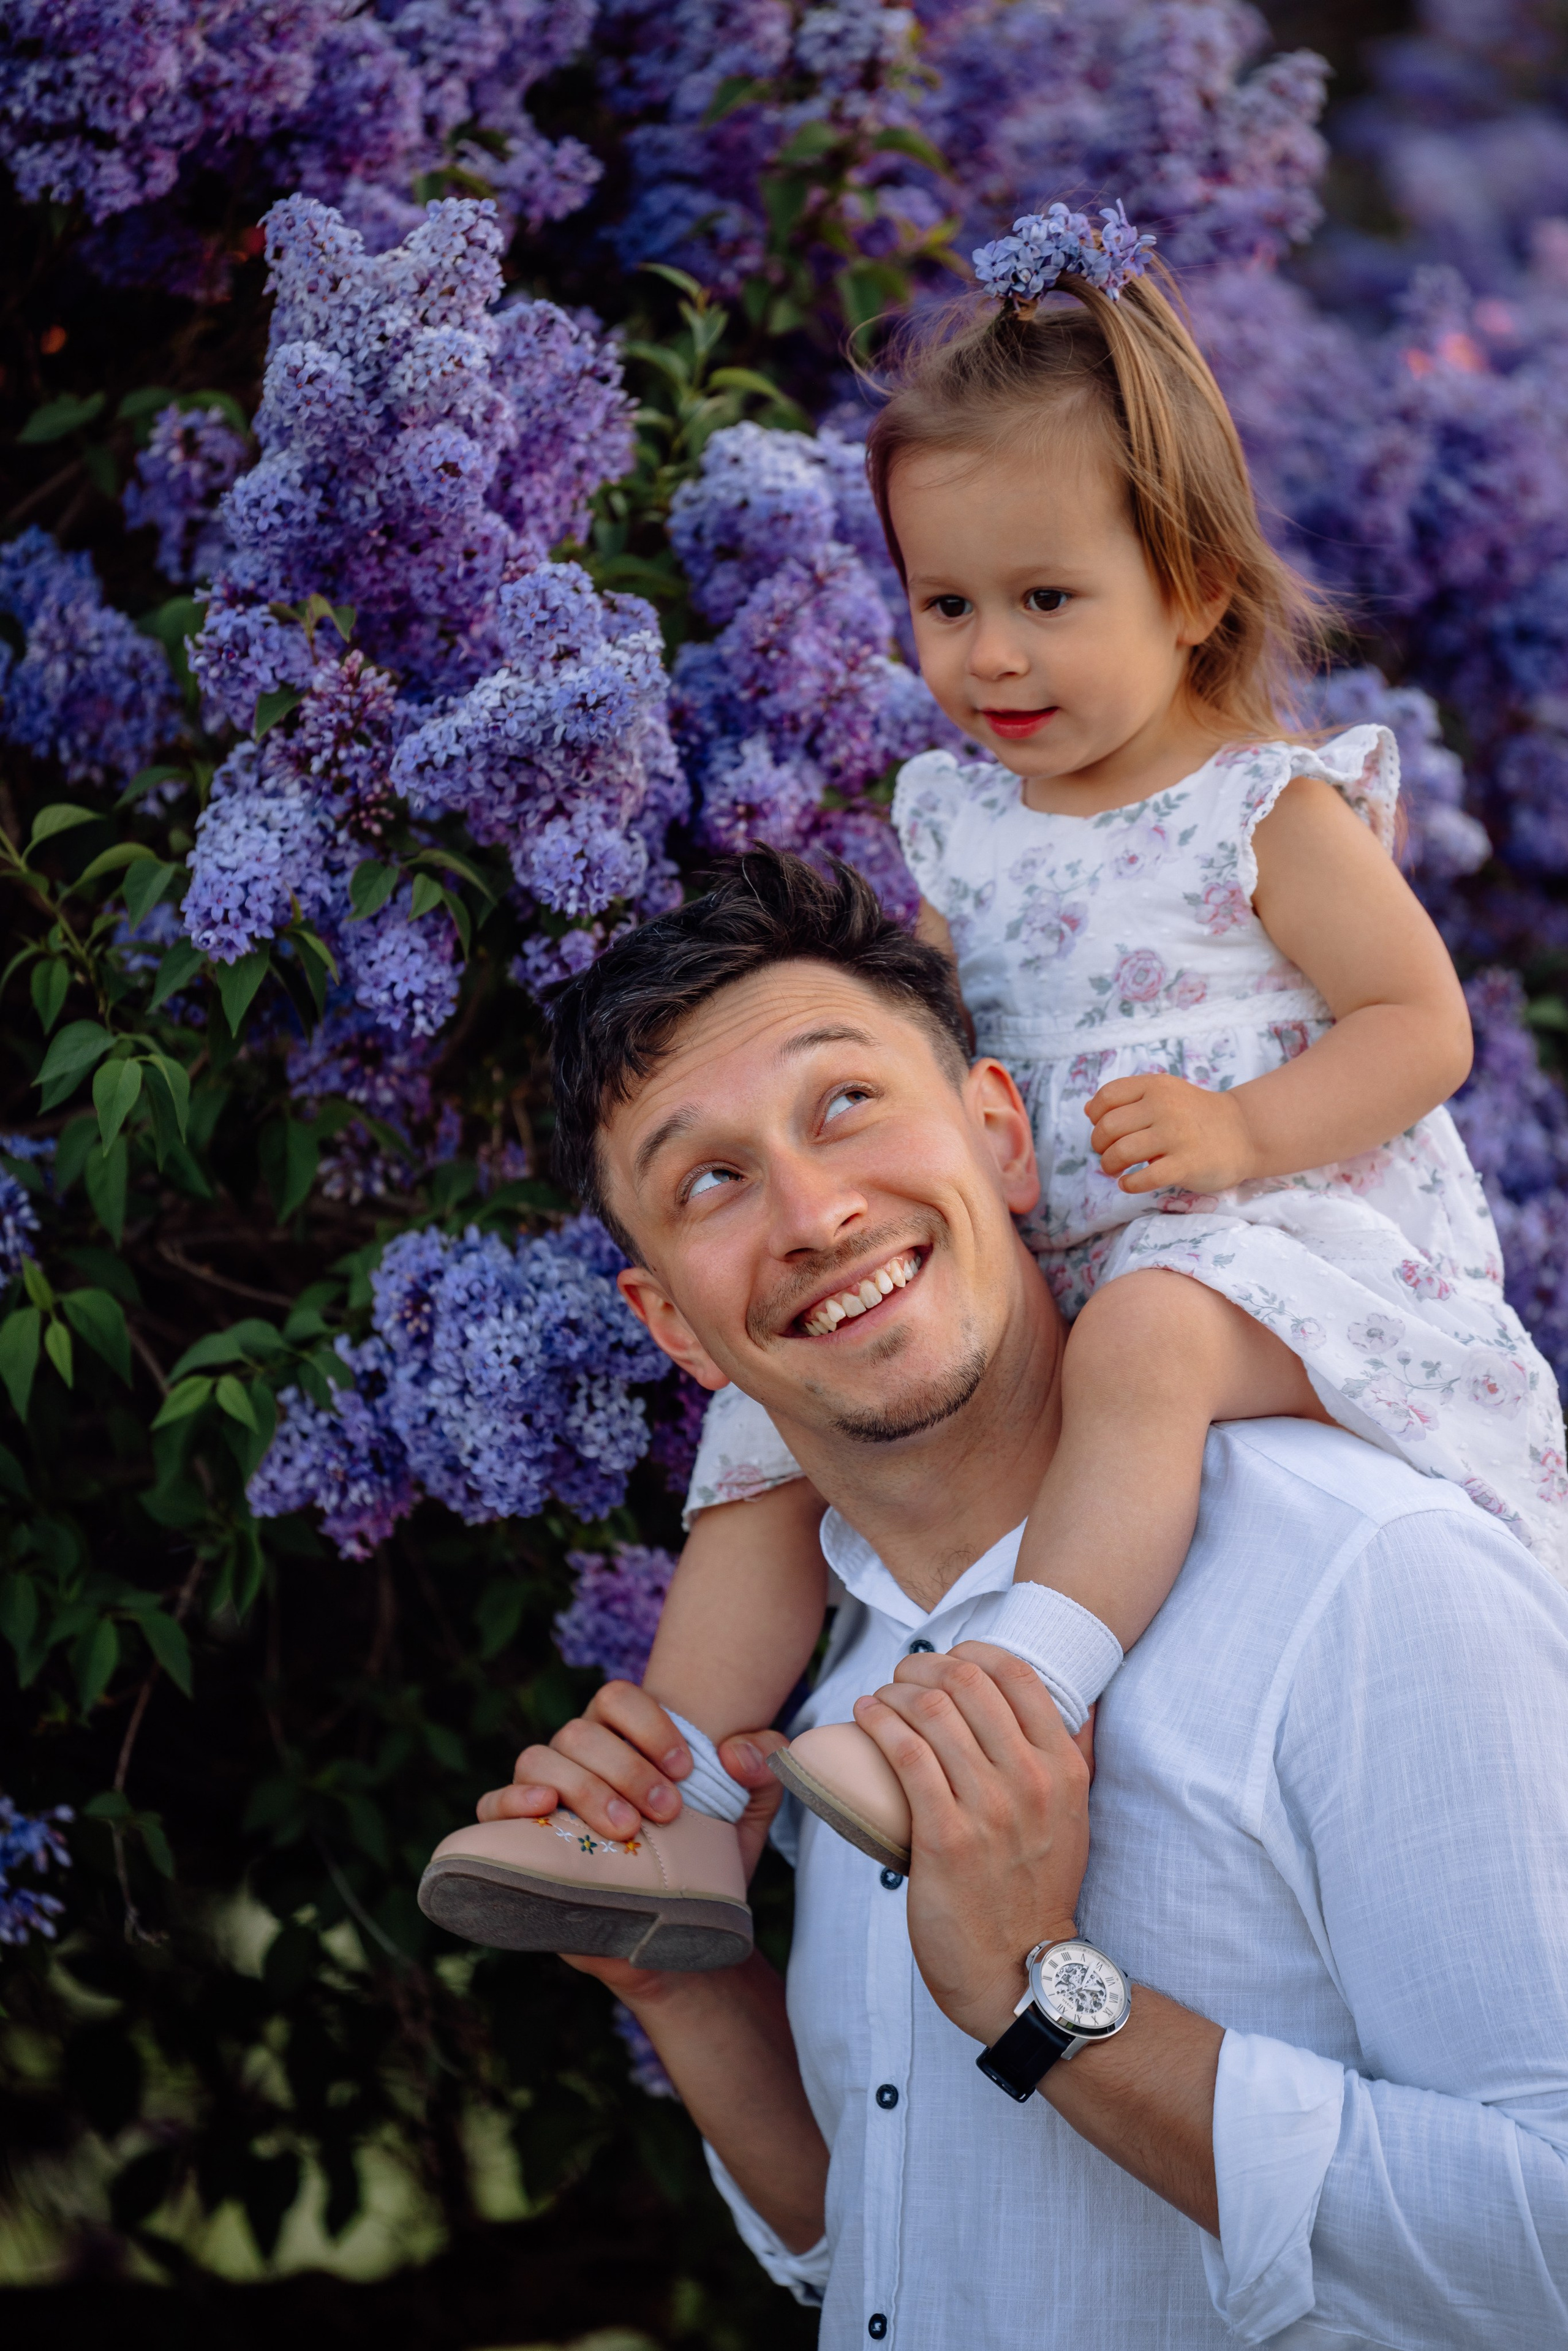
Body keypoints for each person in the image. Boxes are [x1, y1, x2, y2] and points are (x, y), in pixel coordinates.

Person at [435, 197, 1567, 1914]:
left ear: (1191, 587)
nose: (991, 655)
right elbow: (927, 1051)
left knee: (1148, 1331)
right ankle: (678, 1803)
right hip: (1054, 1260)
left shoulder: (1264, 807)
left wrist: (1238, 1128)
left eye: (1046, 597)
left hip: (1273, 1251)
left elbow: (1423, 1026)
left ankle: (1019, 1683)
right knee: (761, 1434)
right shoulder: (960, 819)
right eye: (945, 602)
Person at [425, 850, 1568, 2346]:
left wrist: (1043, 1997)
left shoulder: (1363, 1576)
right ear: (674, 1329)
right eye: (709, 1179)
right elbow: (890, 2244)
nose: (813, 1211)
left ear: (1001, 1136)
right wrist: (681, 1990)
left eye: (845, 1101)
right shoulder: (834, 1680)